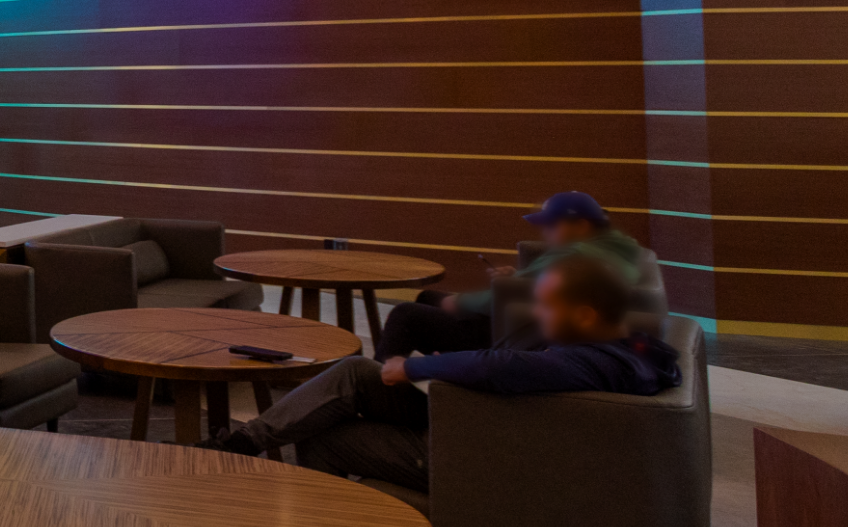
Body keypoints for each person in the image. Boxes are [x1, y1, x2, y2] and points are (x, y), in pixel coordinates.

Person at [207, 255, 679, 494]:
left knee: (325, 435)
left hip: (471, 449)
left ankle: (324, 508)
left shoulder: (596, 361)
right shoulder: (620, 341)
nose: (537, 310)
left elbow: (508, 368)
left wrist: (416, 365)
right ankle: (242, 445)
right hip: (466, 412)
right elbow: (510, 362)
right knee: (354, 371)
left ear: (586, 312)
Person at [376, 190, 647, 360]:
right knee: (427, 296)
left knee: (406, 315)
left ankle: (381, 383)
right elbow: (539, 285)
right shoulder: (615, 247)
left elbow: (502, 299)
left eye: (552, 225)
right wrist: (516, 277)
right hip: (526, 318)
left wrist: (458, 302)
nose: (546, 233)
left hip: (516, 333)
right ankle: (447, 373)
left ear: (581, 225)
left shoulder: (577, 255)